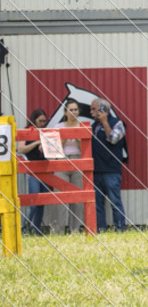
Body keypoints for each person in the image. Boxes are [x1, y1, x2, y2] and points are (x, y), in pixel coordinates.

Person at [90, 97, 128, 232]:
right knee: (97, 204)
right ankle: (101, 229)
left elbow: (113, 139)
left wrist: (105, 121)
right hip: (96, 170)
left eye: (94, 109)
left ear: (104, 110)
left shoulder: (117, 123)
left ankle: (120, 229)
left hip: (111, 170)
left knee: (115, 202)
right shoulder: (94, 126)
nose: (91, 112)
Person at [16, 109, 51, 235]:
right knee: (34, 200)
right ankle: (25, 227)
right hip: (32, 170)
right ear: (33, 120)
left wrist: (45, 144)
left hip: (45, 168)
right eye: (40, 121)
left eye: (44, 121)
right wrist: (37, 142)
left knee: (42, 201)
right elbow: (21, 149)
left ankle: (36, 229)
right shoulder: (26, 131)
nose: (42, 124)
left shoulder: (46, 132)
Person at [56, 99, 87, 234]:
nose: (74, 112)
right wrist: (65, 137)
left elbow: (85, 150)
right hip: (61, 160)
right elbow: (55, 148)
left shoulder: (83, 126)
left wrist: (78, 139)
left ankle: (74, 230)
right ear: (65, 112)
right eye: (71, 110)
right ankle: (58, 231)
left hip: (77, 159)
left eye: (76, 109)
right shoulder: (58, 126)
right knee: (60, 197)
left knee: (77, 199)